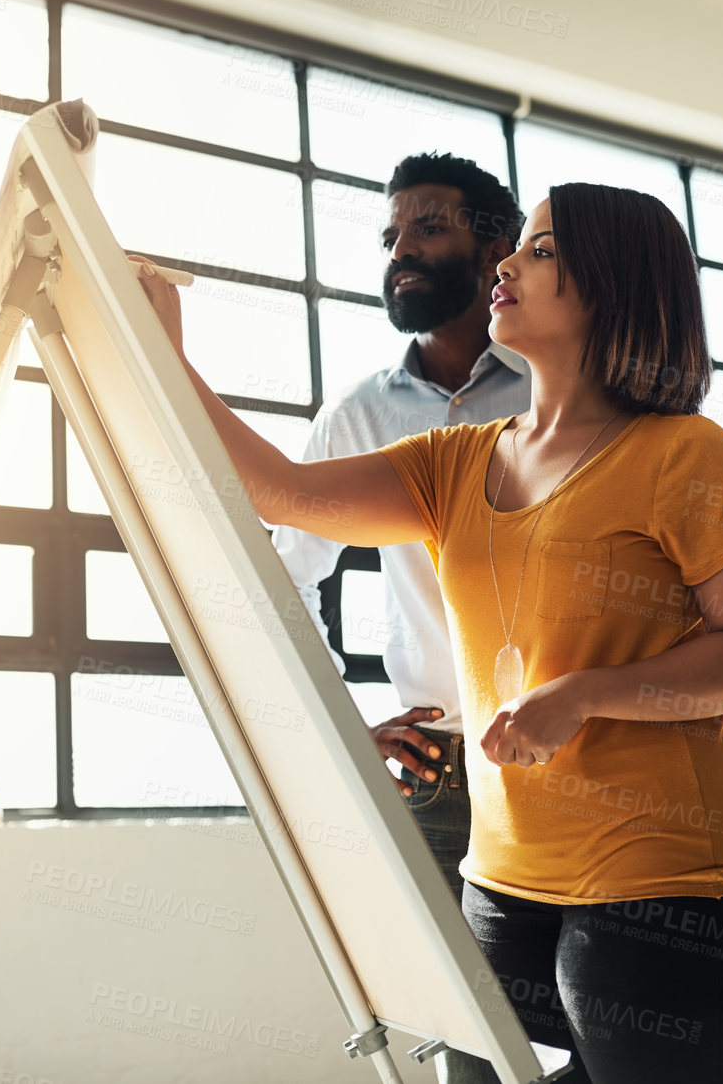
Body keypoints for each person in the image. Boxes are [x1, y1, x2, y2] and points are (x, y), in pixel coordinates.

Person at [133, 181, 723, 1084]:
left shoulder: (684, 453)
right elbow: (278, 491)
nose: (508, 264)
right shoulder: (455, 462)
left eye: (543, 250)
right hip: (502, 875)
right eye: (516, 246)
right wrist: (161, 355)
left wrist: (584, 694)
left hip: (666, 879)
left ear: (615, 284)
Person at [274, 151, 531, 1084]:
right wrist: (349, 722)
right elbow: (279, 577)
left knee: (577, 1023)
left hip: (572, 754)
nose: (401, 253)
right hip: (440, 772)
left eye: (428, 228)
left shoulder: (559, 390)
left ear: (495, 244)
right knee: (466, 1034)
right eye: (391, 237)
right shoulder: (358, 412)